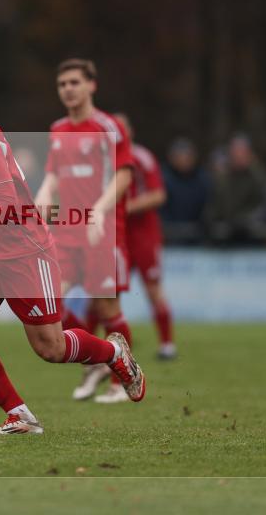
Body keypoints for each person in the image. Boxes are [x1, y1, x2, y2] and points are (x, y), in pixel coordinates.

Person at [0, 52, 146, 435]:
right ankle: (19, 415)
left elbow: (4, 203)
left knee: (50, 348)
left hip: (23, 246)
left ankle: (114, 353)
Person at [33, 58, 137, 404]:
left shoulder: (108, 127)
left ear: (92, 85)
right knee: (50, 303)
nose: (68, 90)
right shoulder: (58, 129)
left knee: (107, 308)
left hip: (102, 232)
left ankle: (121, 382)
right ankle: (97, 359)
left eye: (75, 82)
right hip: (66, 233)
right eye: (62, 84)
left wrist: (99, 211)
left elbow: (124, 175)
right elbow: (53, 174)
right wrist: (45, 193)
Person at [114, 114, 177, 360]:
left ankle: (167, 344)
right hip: (117, 236)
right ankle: (99, 348)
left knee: (152, 288)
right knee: (105, 293)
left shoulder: (141, 158)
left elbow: (158, 195)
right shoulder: (103, 160)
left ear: (130, 131)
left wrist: (125, 206)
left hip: (144, 236)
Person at [206, 133, 266, 244]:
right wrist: (210, 218)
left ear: (249, 154)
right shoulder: (222, 178)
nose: (238, 156)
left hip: (252, 237)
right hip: (225, 237)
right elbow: (216, 204)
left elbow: (264, 205)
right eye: (235, 152)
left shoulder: (258, 177)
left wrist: (245, 220)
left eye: (242, 152)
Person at [160, 137, 212, 239]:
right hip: (169, 236)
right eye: (179, 156)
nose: (184, 160)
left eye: (187, 156)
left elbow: (209, 207)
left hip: (198, 236)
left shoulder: (203, 179)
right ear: (171, 158)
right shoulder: (162, 178)